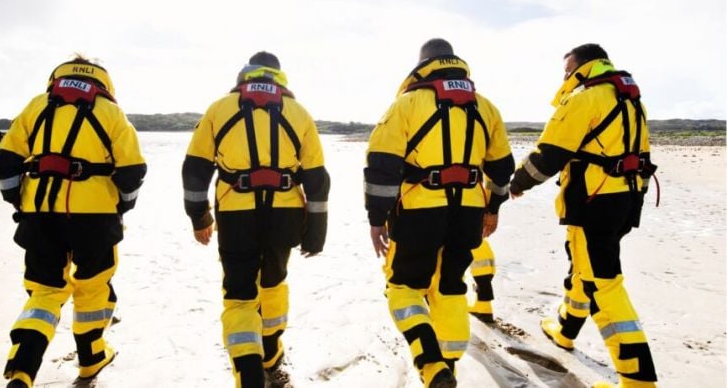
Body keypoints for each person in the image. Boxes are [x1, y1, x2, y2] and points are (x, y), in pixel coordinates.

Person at [364, 39, 515, 388]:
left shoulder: (407, 103)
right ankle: (449, 364)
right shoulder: (486, 107)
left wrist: (376, 219)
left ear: (423, 64)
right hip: (467, 213)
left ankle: (432, 367)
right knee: (450, 285)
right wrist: (492, 209)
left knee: (404, 288)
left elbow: (381, 167)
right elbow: (502, 169)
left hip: (419, 210)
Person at [0, 56, 147, 388]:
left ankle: (21, 369)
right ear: (103, 81)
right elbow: (133, 171)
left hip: (40, 214)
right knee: (92, 288)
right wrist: (122, 207)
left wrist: (17, 200)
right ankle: (91, 360)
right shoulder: (112, 113)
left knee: (44, 293)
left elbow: (3, 161)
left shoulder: (36, 106)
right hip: (97, 220)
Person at [508, 43, 658, 387]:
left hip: (594, 202)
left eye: (567, 69)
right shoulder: (631, 100)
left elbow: (549, 155)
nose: (565, 76)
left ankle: (638, 380)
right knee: (582, 266)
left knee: (604, 284)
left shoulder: (583, 98)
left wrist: (517, 184)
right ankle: (565, 329)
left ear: (583, 67)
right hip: (627, 199)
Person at [181, 51, 330, 388]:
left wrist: (199, 217)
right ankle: (272, 352)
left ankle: (248, 374)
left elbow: (194, 170)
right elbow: (318, 179)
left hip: (236, 212)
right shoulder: (299, 112)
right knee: (274, 279)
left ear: (244, 75)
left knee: (239, 294)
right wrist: (315, 233)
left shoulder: (220, 108)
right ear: (278, 76)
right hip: (286, 214)